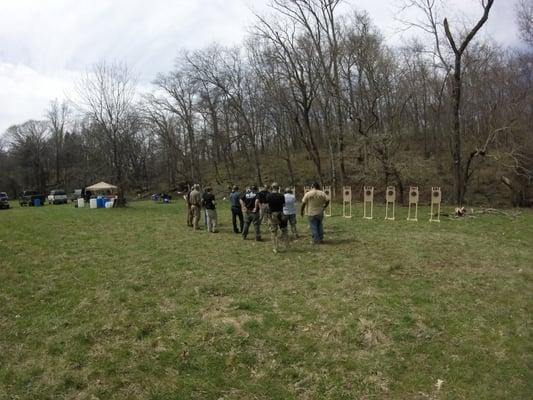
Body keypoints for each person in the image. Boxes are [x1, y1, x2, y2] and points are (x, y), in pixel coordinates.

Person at [266, 183, 288, 253]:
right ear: (278, 188)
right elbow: (284, 205)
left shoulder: (268, 196)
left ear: (271, 188)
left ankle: (275, 248)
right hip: (280, 214)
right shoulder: (281, 195)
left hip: (272, 215)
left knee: (273, 232)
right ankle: (285, 245)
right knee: (284, 230)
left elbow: (267, 206)